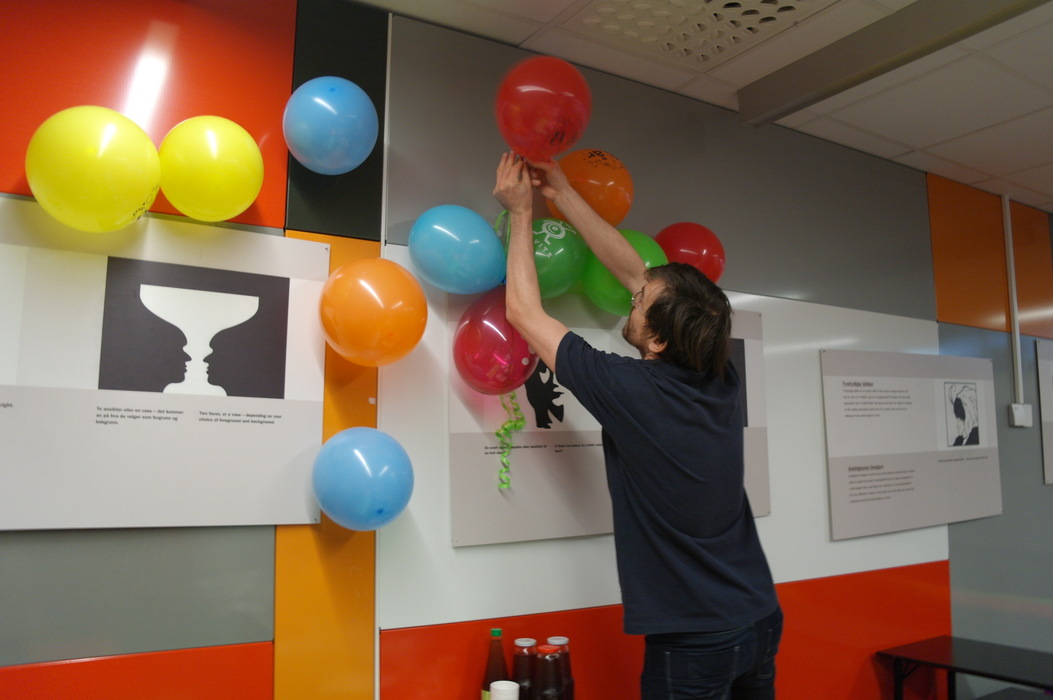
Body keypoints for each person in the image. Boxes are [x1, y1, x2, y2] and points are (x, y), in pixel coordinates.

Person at [494, 152, 782, 700]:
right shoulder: (720, 375)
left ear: (659, 340)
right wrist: (562, 192)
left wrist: (522, 211)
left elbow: (525, 314)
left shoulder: (633, 391)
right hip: (760, 616)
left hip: (696, 640)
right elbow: (636, 273)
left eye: (640, 304)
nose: (633, 297)